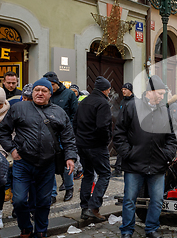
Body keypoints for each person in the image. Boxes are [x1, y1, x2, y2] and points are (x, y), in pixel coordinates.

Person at [0, 78, 76, 238]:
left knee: (43, 202)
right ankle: (25, 230)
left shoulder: (58, 112)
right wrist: (11, 150)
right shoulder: (19, 108)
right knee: (19, 201)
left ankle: (41, 234)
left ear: (50, 93)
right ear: (32, 92)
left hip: (46, 165)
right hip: (23, 163)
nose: (40, 93)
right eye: (37, 90)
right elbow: (3, 132)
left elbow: (68, 137)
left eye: (44, 90)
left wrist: (70, 157)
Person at [114, 75, 177, 238]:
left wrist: (167, 155)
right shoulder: (131, 107)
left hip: (157, 165)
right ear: (150, 92)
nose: (163, 96)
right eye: (160, 93)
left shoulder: (165, 110)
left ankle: (151, 228)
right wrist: (128, 153)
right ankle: (126, 231)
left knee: (157, 200)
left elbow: (172, 138)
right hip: (134, 164)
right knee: (129, 200)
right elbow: (119, 133)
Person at [73, 76, 113, 221]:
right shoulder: (102, 103)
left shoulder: (84, 102)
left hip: (82, 145)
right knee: (105, 174)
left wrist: (79, 139)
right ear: (106, 89)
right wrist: (106, 141)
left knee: (88, 174)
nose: (109, 92)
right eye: (109, 90)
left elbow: (75, 123)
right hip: (96, 146)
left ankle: (85, 208)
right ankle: (93, 207)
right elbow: (103, 126)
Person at [43, 72, 78, 203]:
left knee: (65, 163)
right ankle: (52, 193)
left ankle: (69, 187)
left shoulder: (68, 94)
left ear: (57, 83)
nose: (50, 87)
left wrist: (71, 133)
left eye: (52, 85)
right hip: (47, 135)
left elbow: (75, 115)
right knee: (49, 164)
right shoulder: (46, 94)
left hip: (64, 135)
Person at [112, 83, 135, 177]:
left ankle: (119, 168)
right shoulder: (123, 101)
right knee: (121, 149)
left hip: (130, 130)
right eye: (122, 90)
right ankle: (118, 167)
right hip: (122, 129)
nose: (123, 91)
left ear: (130, 90)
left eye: (125, 89)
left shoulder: (134, 102)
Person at [0, 88, 10, 229]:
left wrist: (4, 152)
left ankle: (0, 213)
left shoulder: (10, 112)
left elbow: (11, 134)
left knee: (1, 185)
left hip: (2, 154)